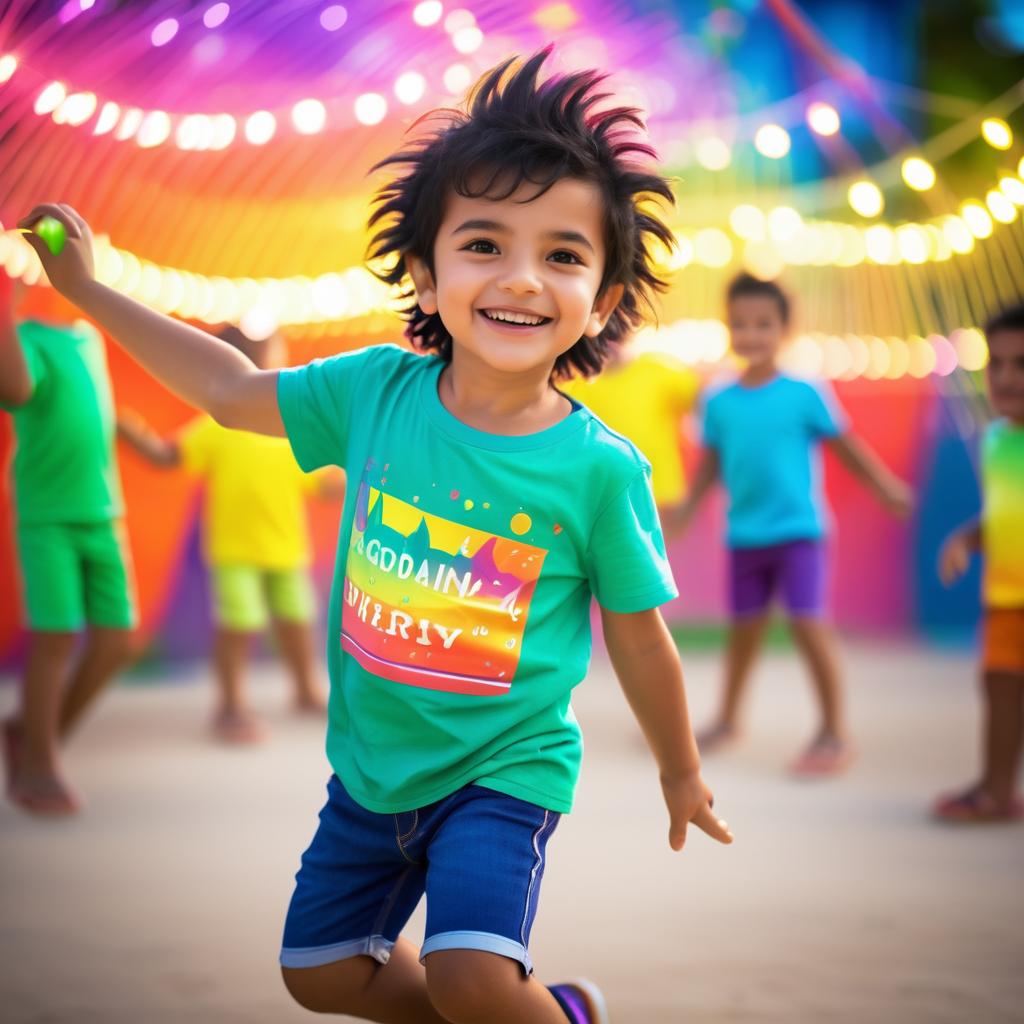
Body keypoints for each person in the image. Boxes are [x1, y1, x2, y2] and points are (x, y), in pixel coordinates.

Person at [20, 50, 732, 1024]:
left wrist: (679, 767)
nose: (521, 278)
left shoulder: (599, 469)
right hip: (371, 767)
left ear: (602, 301)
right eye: (484, 243)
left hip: (501, 770)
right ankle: (558, 1010)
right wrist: (90, 291)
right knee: (319, 973)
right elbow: (230, 391)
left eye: (563, 254)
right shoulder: (374, 392)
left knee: (472, 977)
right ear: (427, 276)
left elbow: (639, 633)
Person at [668, 273, 912, 776]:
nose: (751, 334)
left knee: (808, 623)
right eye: (740, 324)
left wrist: (885, 486)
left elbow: (847, 448)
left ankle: (832, 733)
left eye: (763, 324)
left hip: (800, 533)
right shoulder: (718, 400)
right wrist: (690, 508)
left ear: (784, 329)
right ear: (727, 327)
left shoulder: (806, 392)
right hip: (744, 536)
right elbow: (711, 464)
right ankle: (728, 721)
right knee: (743, 633)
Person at [117, 325, 339, 743]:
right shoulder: (218, 426)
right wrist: (134, 435)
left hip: (286, 549)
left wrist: (367, 462)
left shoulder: (291, 429)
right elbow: (169, 456)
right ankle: (231, 704)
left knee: (297, 621)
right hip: (235, 549)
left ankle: (305, 689)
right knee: (237, 625)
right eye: (272, 354)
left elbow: (324, 484)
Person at [0, 274, 137, 815]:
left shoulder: (89, 337)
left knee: (116, 640)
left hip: (105, 513)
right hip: (47, 515)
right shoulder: (25, 338)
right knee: (55, 637)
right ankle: (38, 764)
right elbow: (15, 390)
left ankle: (37, 737)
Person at [933, 302, 1024, 823]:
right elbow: (1002, 516)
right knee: (998, 687)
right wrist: (966, 540)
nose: (1007, 378)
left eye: (1022, 364)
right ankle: (996, 789)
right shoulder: (995, 439)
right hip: (1005, 596)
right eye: (998, 364)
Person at [561, 343, 701, 511]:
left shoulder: (658, 370)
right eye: (602, 338)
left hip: (661, 491)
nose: (610, 344)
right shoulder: (578, 385)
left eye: (617, 336)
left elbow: (699, 402)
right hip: (609, 495)